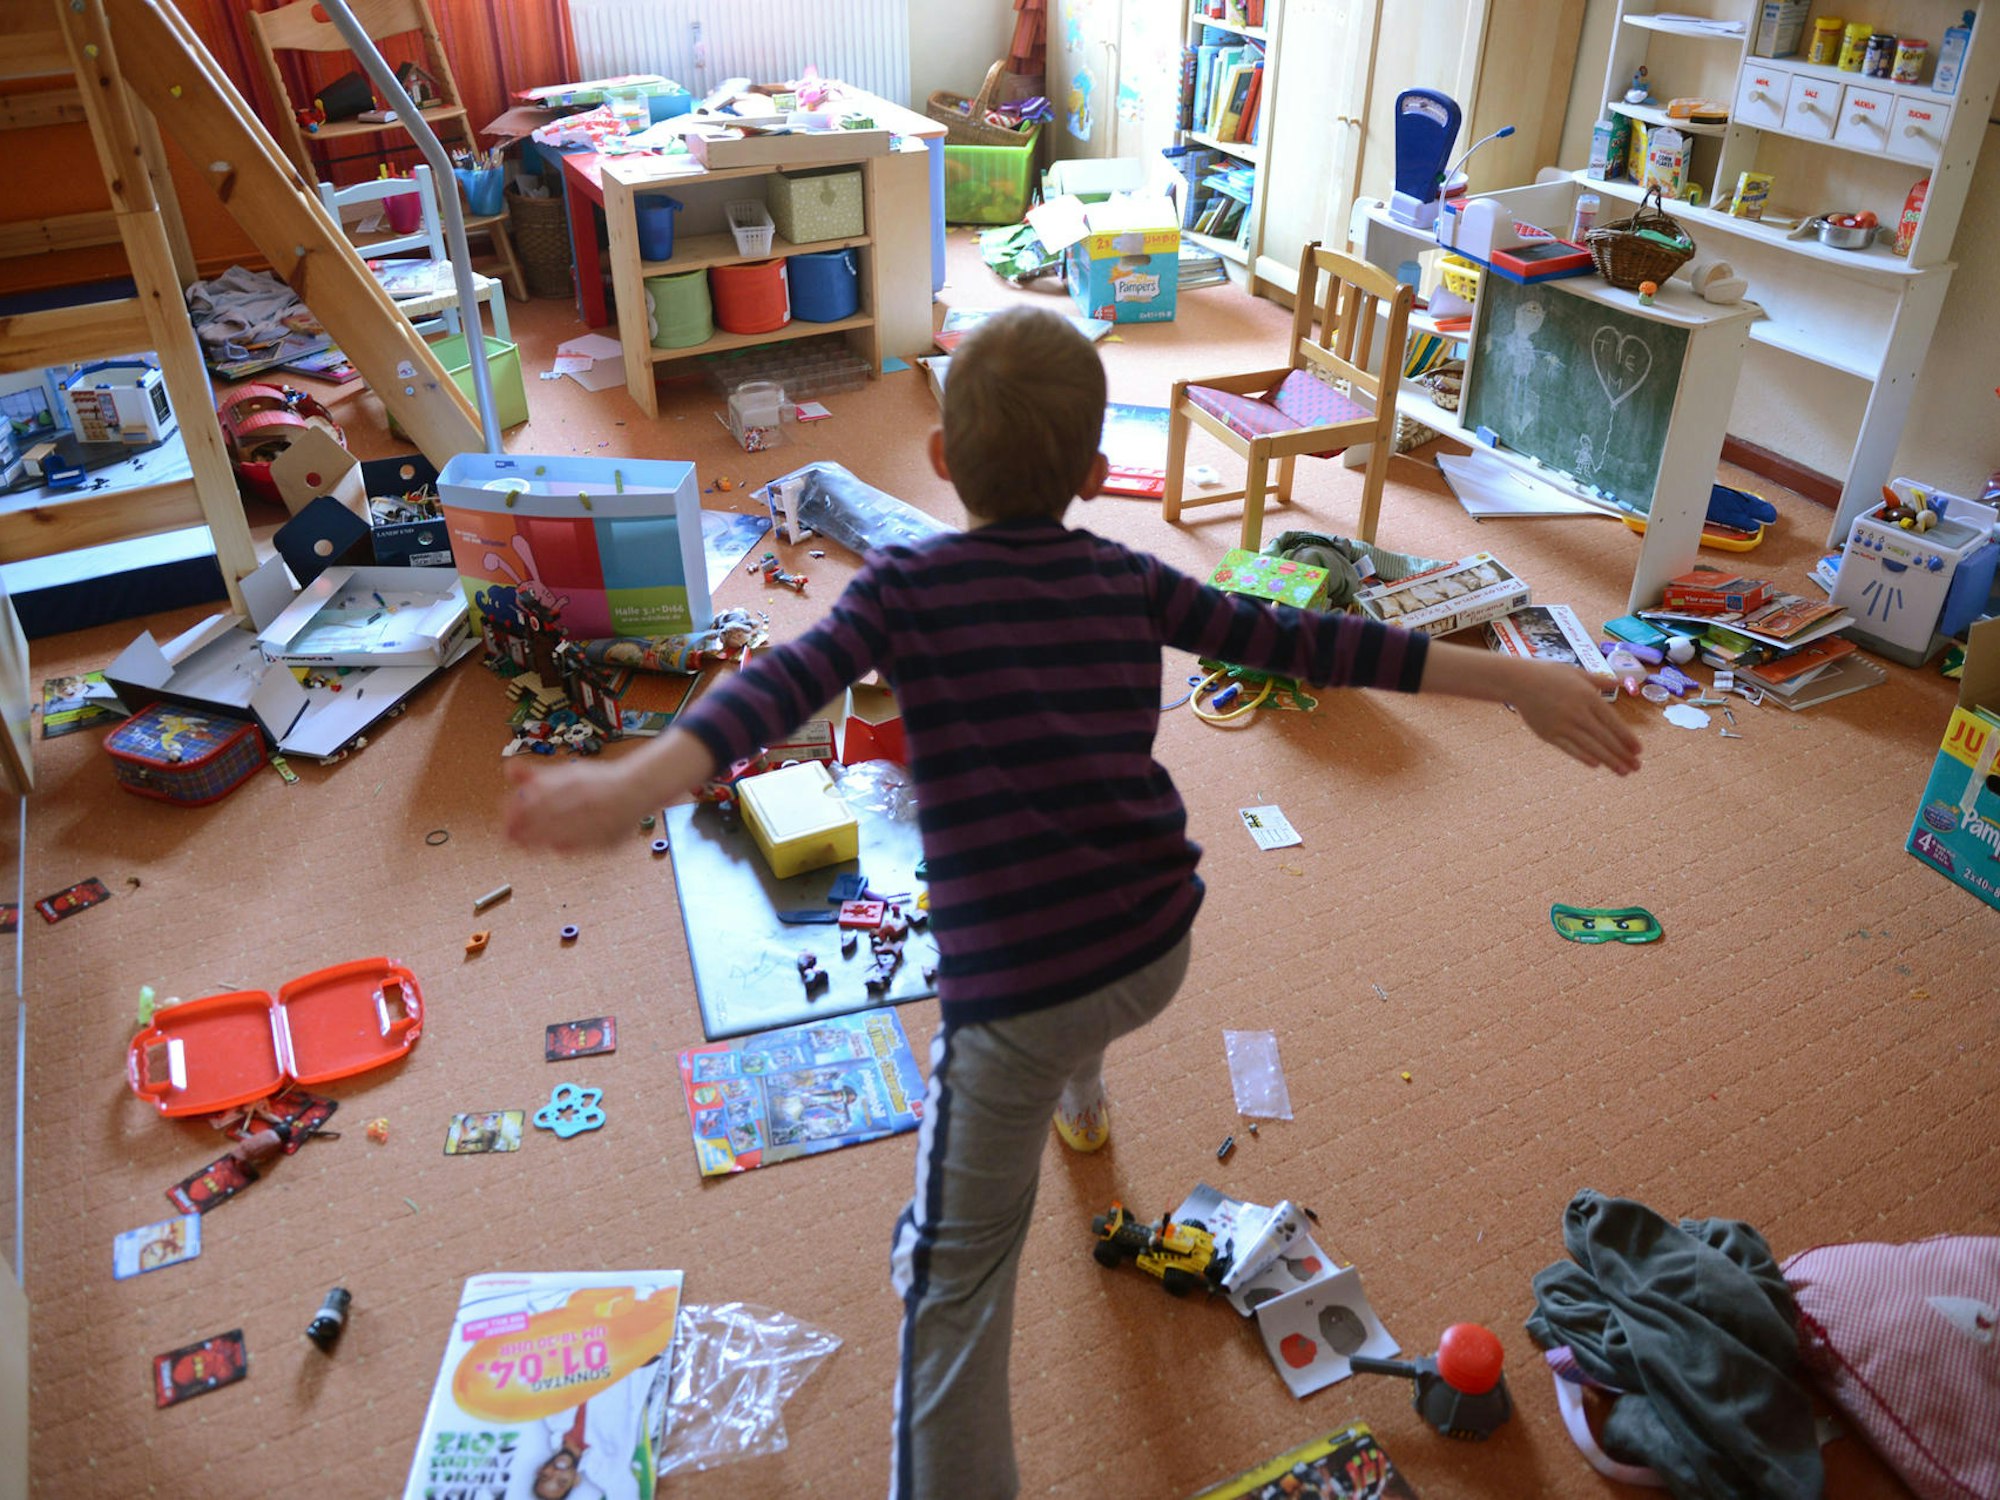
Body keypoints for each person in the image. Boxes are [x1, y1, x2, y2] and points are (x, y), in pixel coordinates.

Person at [505, 307, 1642, 1499]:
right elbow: (1308, 642)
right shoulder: (1129, 577)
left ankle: (1052, 1119)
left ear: (939, 459)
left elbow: (775, 687)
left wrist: (630, 782)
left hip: (1017, 1001)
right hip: (1152, 944)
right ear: (1097, 474)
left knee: (951, 1287)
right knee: (1080, 976)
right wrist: (1511, 679)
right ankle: (1082, 1102)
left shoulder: (902, 588)